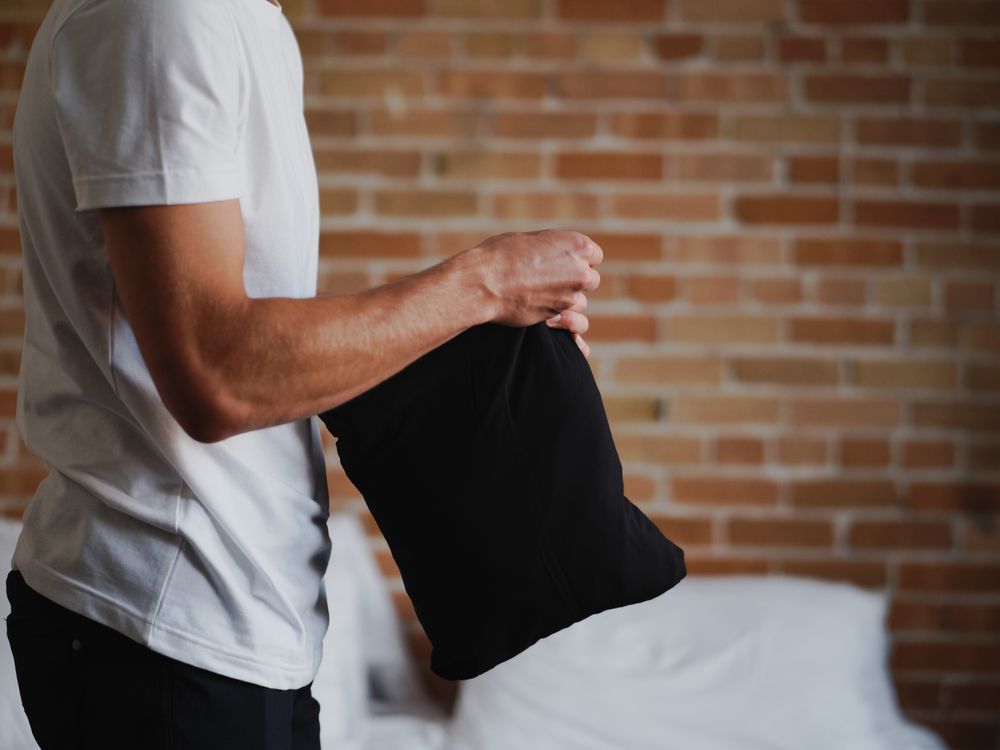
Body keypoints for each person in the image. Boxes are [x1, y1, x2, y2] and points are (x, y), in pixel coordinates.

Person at [3, 0, 601, 747]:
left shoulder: (247, 20)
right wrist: (483, 283)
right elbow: (217, 374)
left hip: (249, 623)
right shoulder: (164, 16)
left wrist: (491, 344)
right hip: (167, 623)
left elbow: (263, 352)